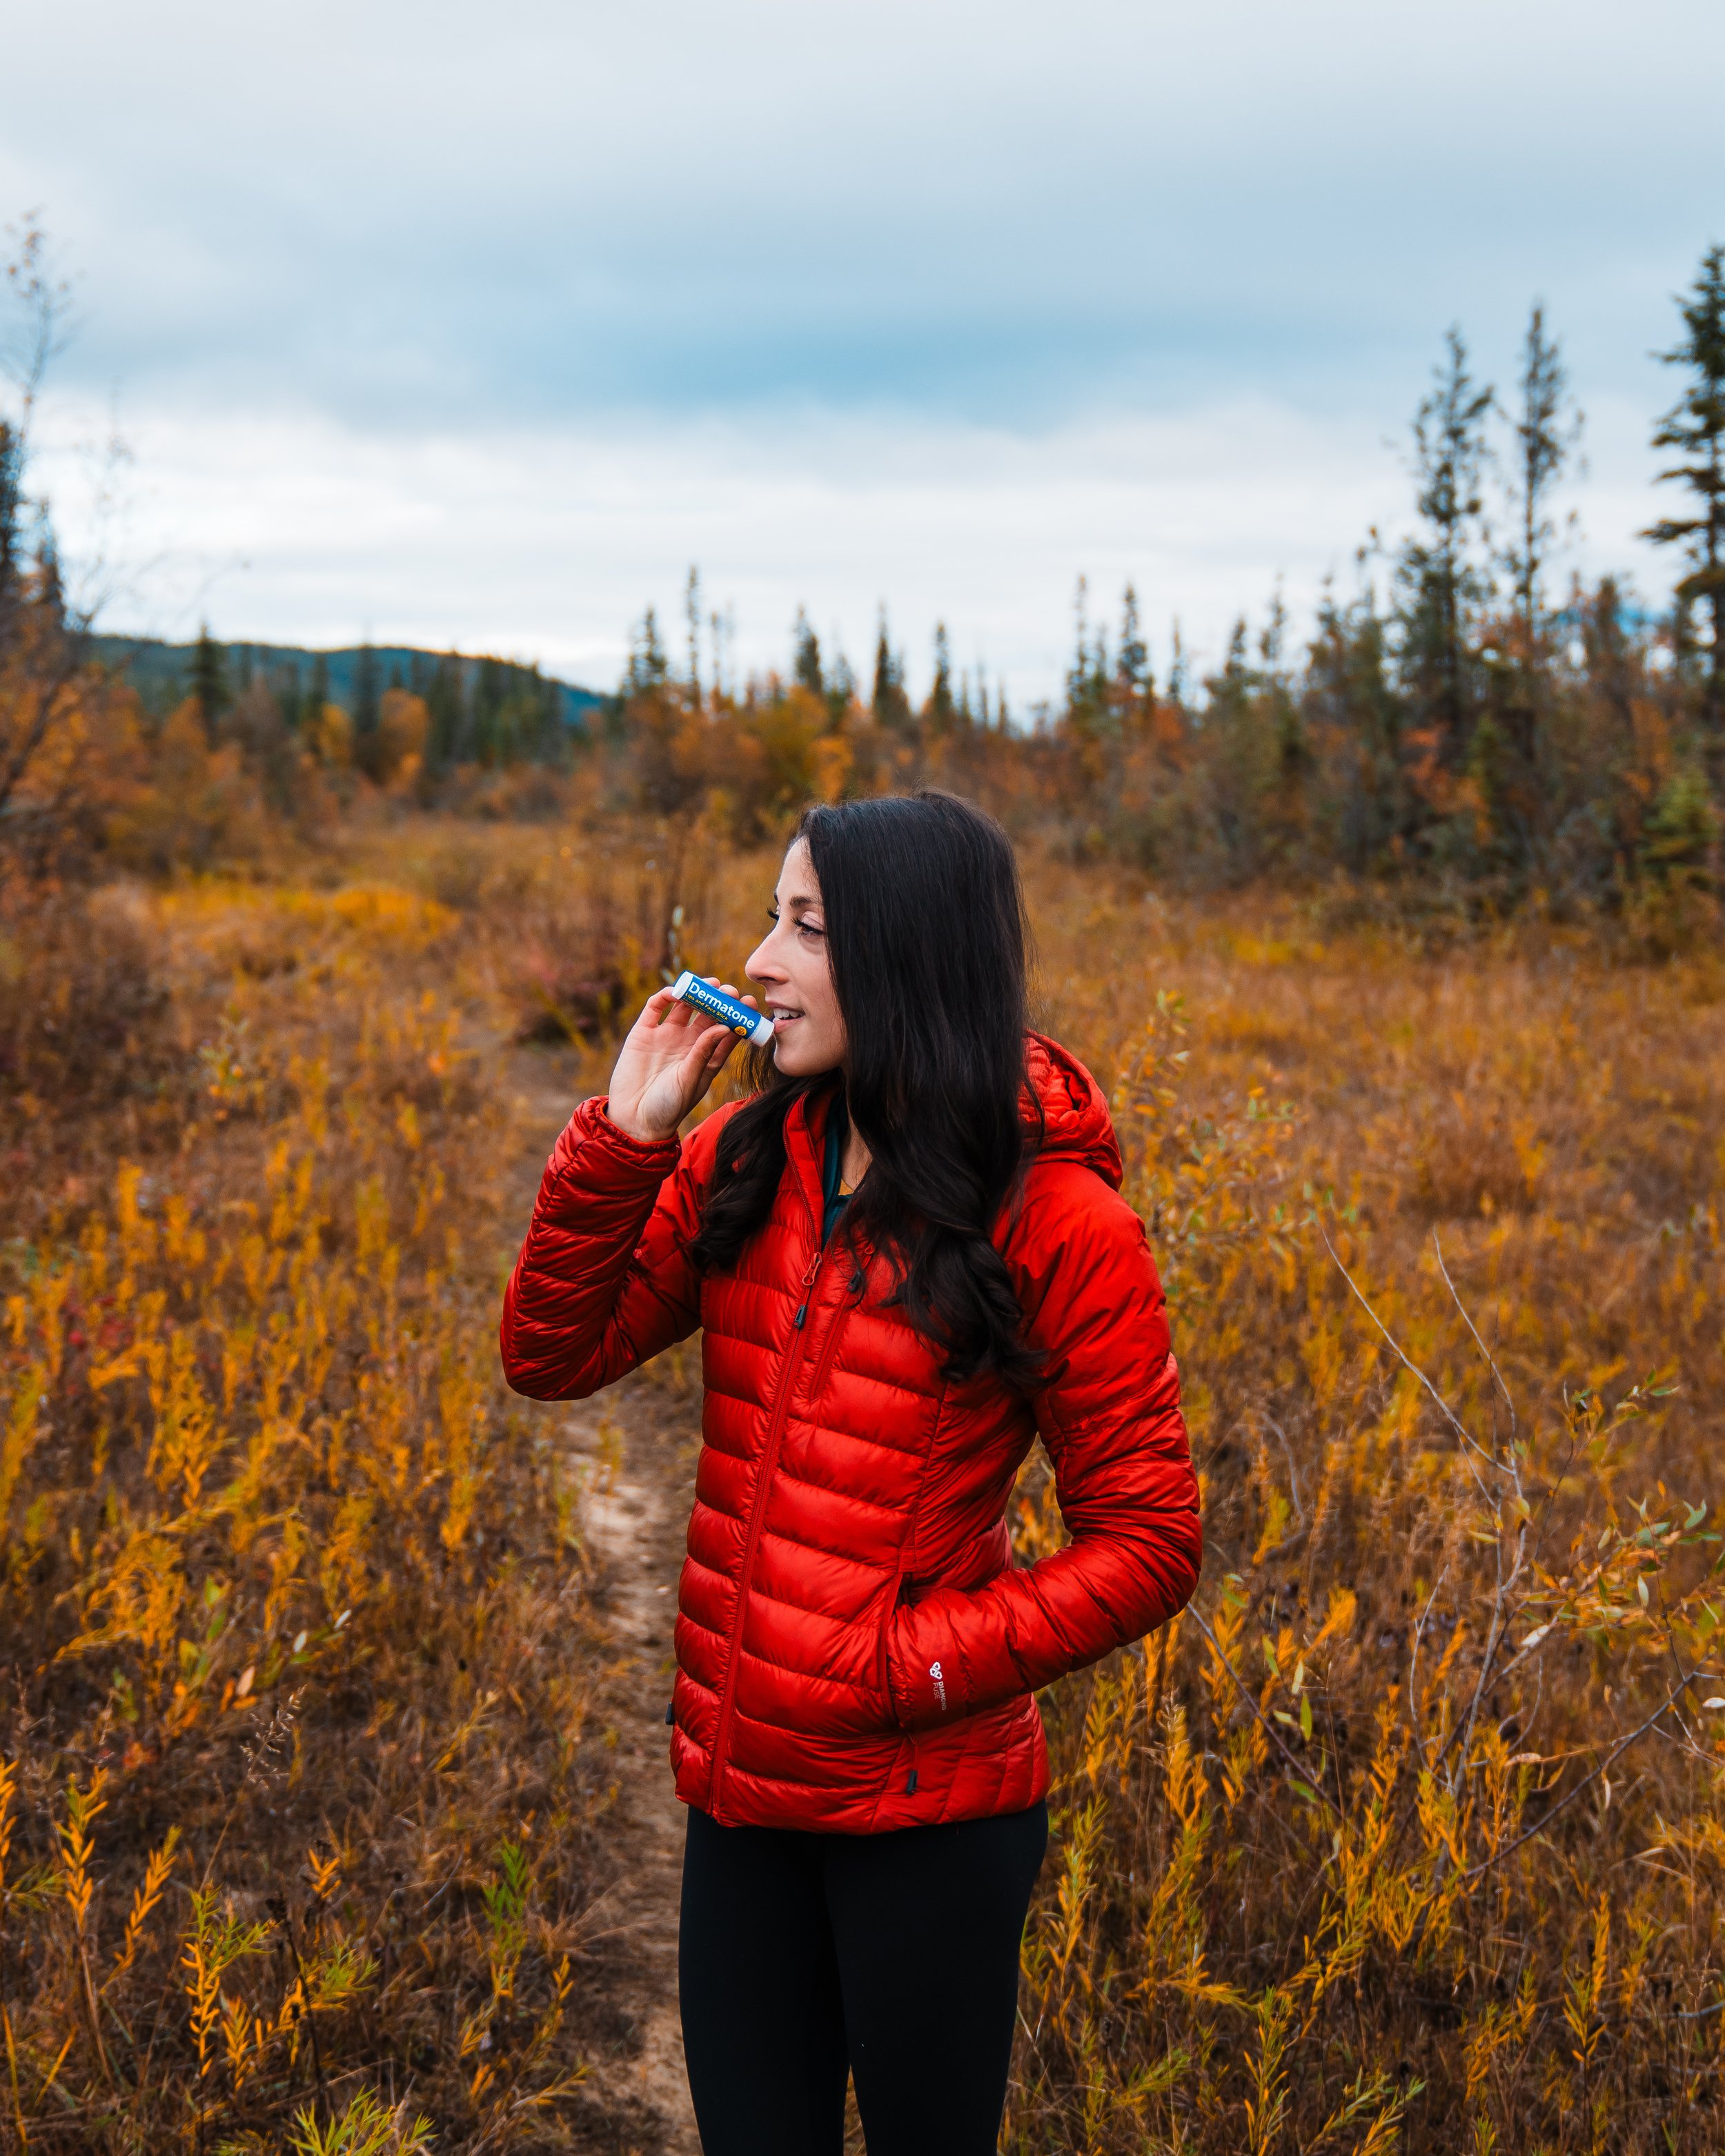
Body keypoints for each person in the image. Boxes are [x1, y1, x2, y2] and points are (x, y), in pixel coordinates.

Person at [501, 791, 1201, 2156]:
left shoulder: (1059, 1218)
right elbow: (552, 1353)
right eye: (770, 918)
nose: (759, 961)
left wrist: (904, 1667)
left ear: (911, 955)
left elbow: (1149, 1538)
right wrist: (625, 1139)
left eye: (804, 927)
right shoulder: (749, 1154)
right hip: (738, 1792)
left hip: (926, 1820)